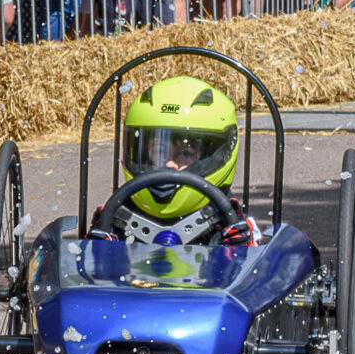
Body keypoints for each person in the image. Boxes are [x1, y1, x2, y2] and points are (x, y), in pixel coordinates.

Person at [102, 75, 251, 246]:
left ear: (211, 155)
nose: (169, 163)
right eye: (159, 151)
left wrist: (238, 250)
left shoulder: (233, 222)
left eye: (185, 153)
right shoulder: (115, 215)